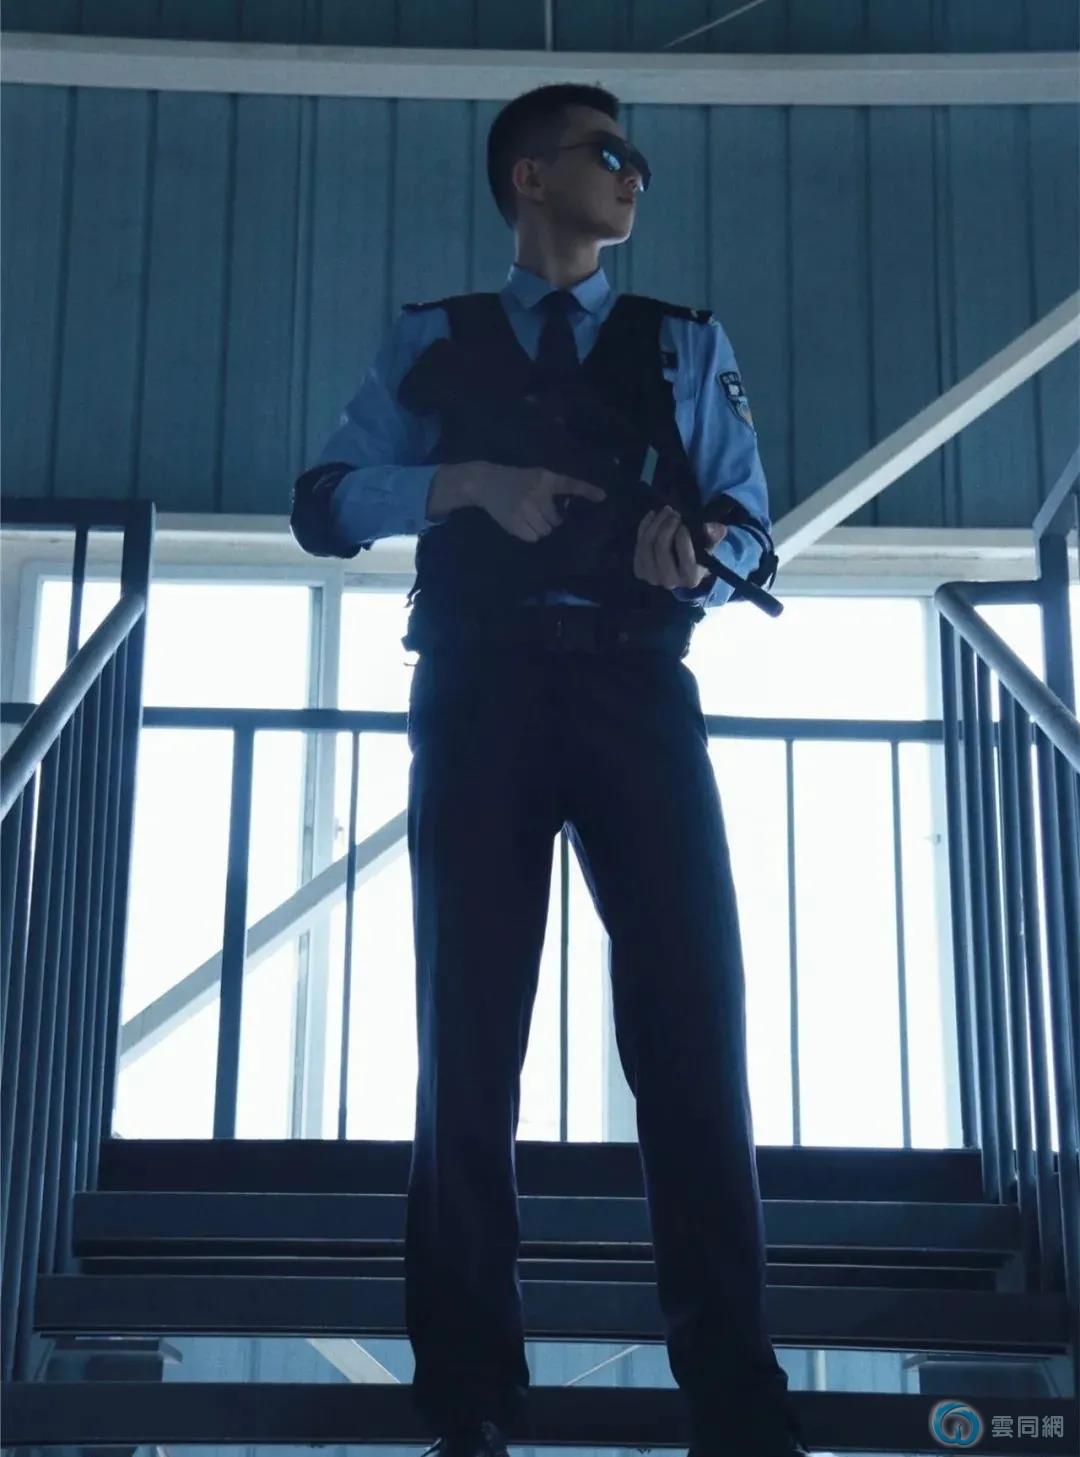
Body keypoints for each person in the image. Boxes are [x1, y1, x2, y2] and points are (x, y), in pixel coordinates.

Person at [291, 83, 805, 1457]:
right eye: (609, 152)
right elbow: (324, 502)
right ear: (530, 176)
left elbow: (754, 531)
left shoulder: (683, 339)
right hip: (480, 693)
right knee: (469, 1037)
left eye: (636, 159)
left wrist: (698, 554)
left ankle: (735, 1394)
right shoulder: (432, 338)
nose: (635, 176)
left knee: (694, 1030)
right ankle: (467, 1395)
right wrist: (464, 484)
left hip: (637, 689)